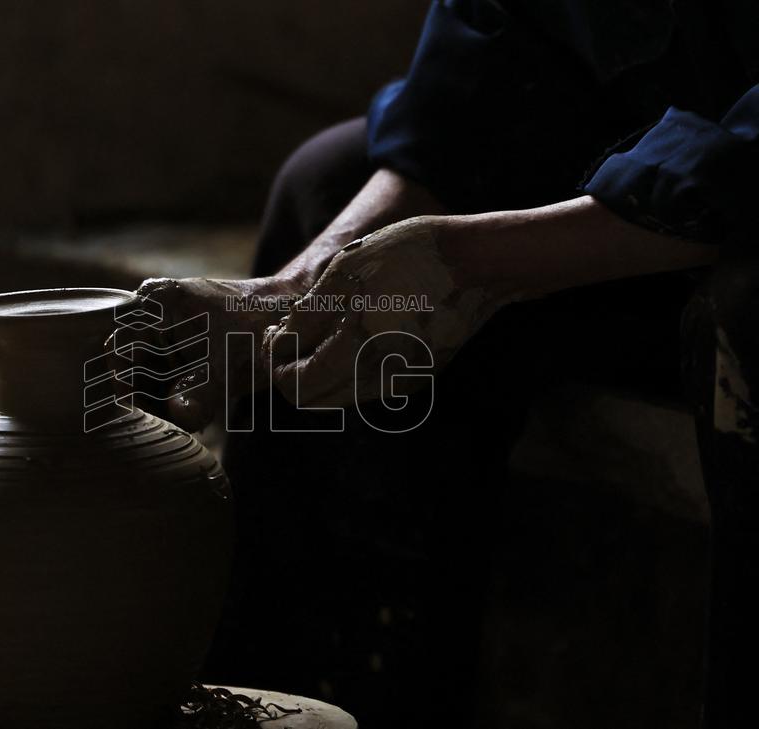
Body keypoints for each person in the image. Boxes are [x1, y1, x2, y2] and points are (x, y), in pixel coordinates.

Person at [115, 1, 759, 727]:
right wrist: (295, 289)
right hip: (647, 179)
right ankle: (302, 696)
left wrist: (479, 262)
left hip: (732, 223)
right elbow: (482, 57)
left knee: (750, 311)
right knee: (326, 183)